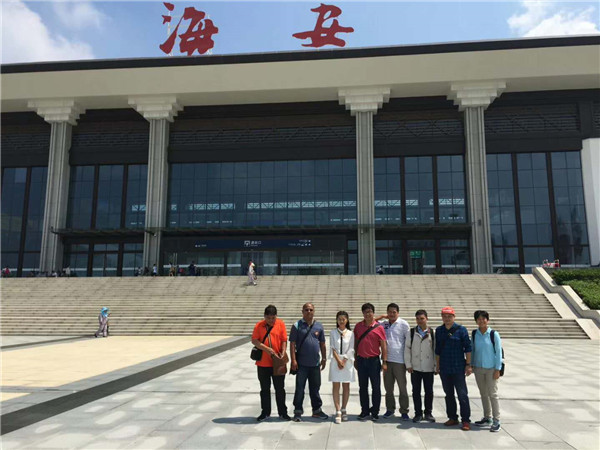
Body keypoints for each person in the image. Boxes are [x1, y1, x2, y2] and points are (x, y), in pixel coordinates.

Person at [435, 306, 472, 431]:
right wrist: (437, 366)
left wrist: (468, 365)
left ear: (454, 317)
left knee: (462, 394)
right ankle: (452, 417)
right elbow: (438, 350)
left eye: (449, 316)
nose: (447, 318)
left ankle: (465, 420)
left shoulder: (461, 330)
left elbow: (468, 348)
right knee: (449, 394)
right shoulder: (439, 330)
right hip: (445, 367)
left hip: (458, 367)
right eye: (444, 316)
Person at [251, 305, 290, 422]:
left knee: (280, 389)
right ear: (264, 316)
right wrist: (267, 349)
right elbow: (254, 340)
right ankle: (265, 412)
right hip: (263, 364)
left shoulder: (280, 324)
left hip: (277, 363)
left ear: (276, 316)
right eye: (268, 318)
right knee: (264, 389)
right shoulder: (259, 325)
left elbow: (284, 339)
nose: (271, 320)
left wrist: (283, 352)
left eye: (273, 318)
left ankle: (283, 412)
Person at [290, 303, 328, 422]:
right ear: (302, 311)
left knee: (315, 388)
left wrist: (324, 358)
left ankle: (316, 410)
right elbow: (292, 344)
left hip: (315, 364)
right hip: (301, 364)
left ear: (314, 311)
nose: (309, 312)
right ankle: (297, 411)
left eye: (311, 310)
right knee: (300, 389)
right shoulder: (297, 326)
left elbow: (322, 344)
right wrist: (293, 360)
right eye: (306, 310)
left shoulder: (319, 326)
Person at [354, 302, 387, 421]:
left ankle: (375, 411)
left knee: (376, 387)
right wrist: (355, 358)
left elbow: (383, 345)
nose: (368, 314)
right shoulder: (358, 326)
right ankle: (364, 410)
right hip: (361, 360)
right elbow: (356, 343)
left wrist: (384, 361)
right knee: (362, 387)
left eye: (370, 312)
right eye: (365, 312)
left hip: (374, 361)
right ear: (363, 313)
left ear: (373, 313)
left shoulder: (379, 327)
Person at [471, 310, 503, 432]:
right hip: (478, 368)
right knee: (483, 393)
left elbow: (498, 352)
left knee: (493, 394)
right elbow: (473, 350)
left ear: (487, 320)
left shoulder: (493, 334)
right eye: (479, 319)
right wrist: (471, 365)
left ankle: (496, 420)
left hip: (491, 369)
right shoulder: (475, 334)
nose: (481, 321)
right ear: (476, 321)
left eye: (483, 319)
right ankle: (487, 417)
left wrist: (498, 369)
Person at [404, 309, 436, 423]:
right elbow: (407, 349)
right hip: (415, 367)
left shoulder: (433, 332)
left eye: (422, 318)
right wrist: (408, 364)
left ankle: (428, 413)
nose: (420, 321)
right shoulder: (411, 332)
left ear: (427, 318)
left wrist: (436, 366)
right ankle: (418, 413)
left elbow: (435, 350)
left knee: (429, 391)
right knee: (416, 391)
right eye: (417, 319)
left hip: (428, 367)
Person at [379, 303, 410, 420]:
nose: (392, 314)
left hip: (400, 361)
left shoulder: (403, 324)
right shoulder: (383, 324)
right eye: (389, 312)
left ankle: (404, 411)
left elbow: (408, 343)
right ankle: (390, 409)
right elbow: (370, 322)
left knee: (402, 388)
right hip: (387, 360)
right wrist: (381, 317)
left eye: (394, 312)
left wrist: (408, 362)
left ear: (398, 313)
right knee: (388, 388)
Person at [329, 311, 355, 424]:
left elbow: (351, 348)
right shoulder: (333, 332)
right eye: (339, 319)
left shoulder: (351, 333)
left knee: (346, 386)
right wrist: (338, 361)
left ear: (347, 320)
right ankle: (338, 410)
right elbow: (332, 348)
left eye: (343, 319)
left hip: (347, 362)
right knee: (336, 386)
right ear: (337, 320)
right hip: (336, 361)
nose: (341, 321)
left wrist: (344, 360)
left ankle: (344, 408)